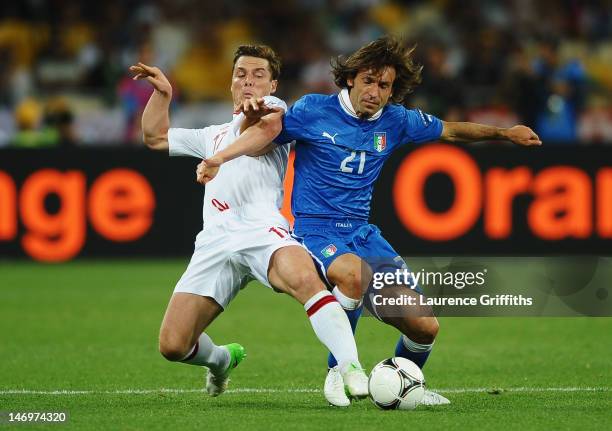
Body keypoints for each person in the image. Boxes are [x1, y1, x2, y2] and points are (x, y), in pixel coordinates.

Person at [196, 35, 542, 407]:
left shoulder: (397, 120)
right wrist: (223, 155)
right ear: (350, 79)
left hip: (363, 233)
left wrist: (504, 134)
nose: (375, 91)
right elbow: (265, 135)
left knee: (425, 326)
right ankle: (339, 371)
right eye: (368, 81)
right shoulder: (312, 110)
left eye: (384, 85)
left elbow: (451, 130)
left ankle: (407, 383)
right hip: (315, 230)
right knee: (351, 274)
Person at [131, 44, 368, 402]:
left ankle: (350, 368)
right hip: (215, 241)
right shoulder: (211, 135)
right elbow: (155, 137)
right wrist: (163, 94)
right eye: (241, 74)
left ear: (273, 85)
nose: (248, 81)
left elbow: (259, 131)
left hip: (262, 231)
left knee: (306, 280)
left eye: (259, 75)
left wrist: (236, 135)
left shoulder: (276, 111)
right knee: (173, 345)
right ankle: (222, 360)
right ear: (230, 82)